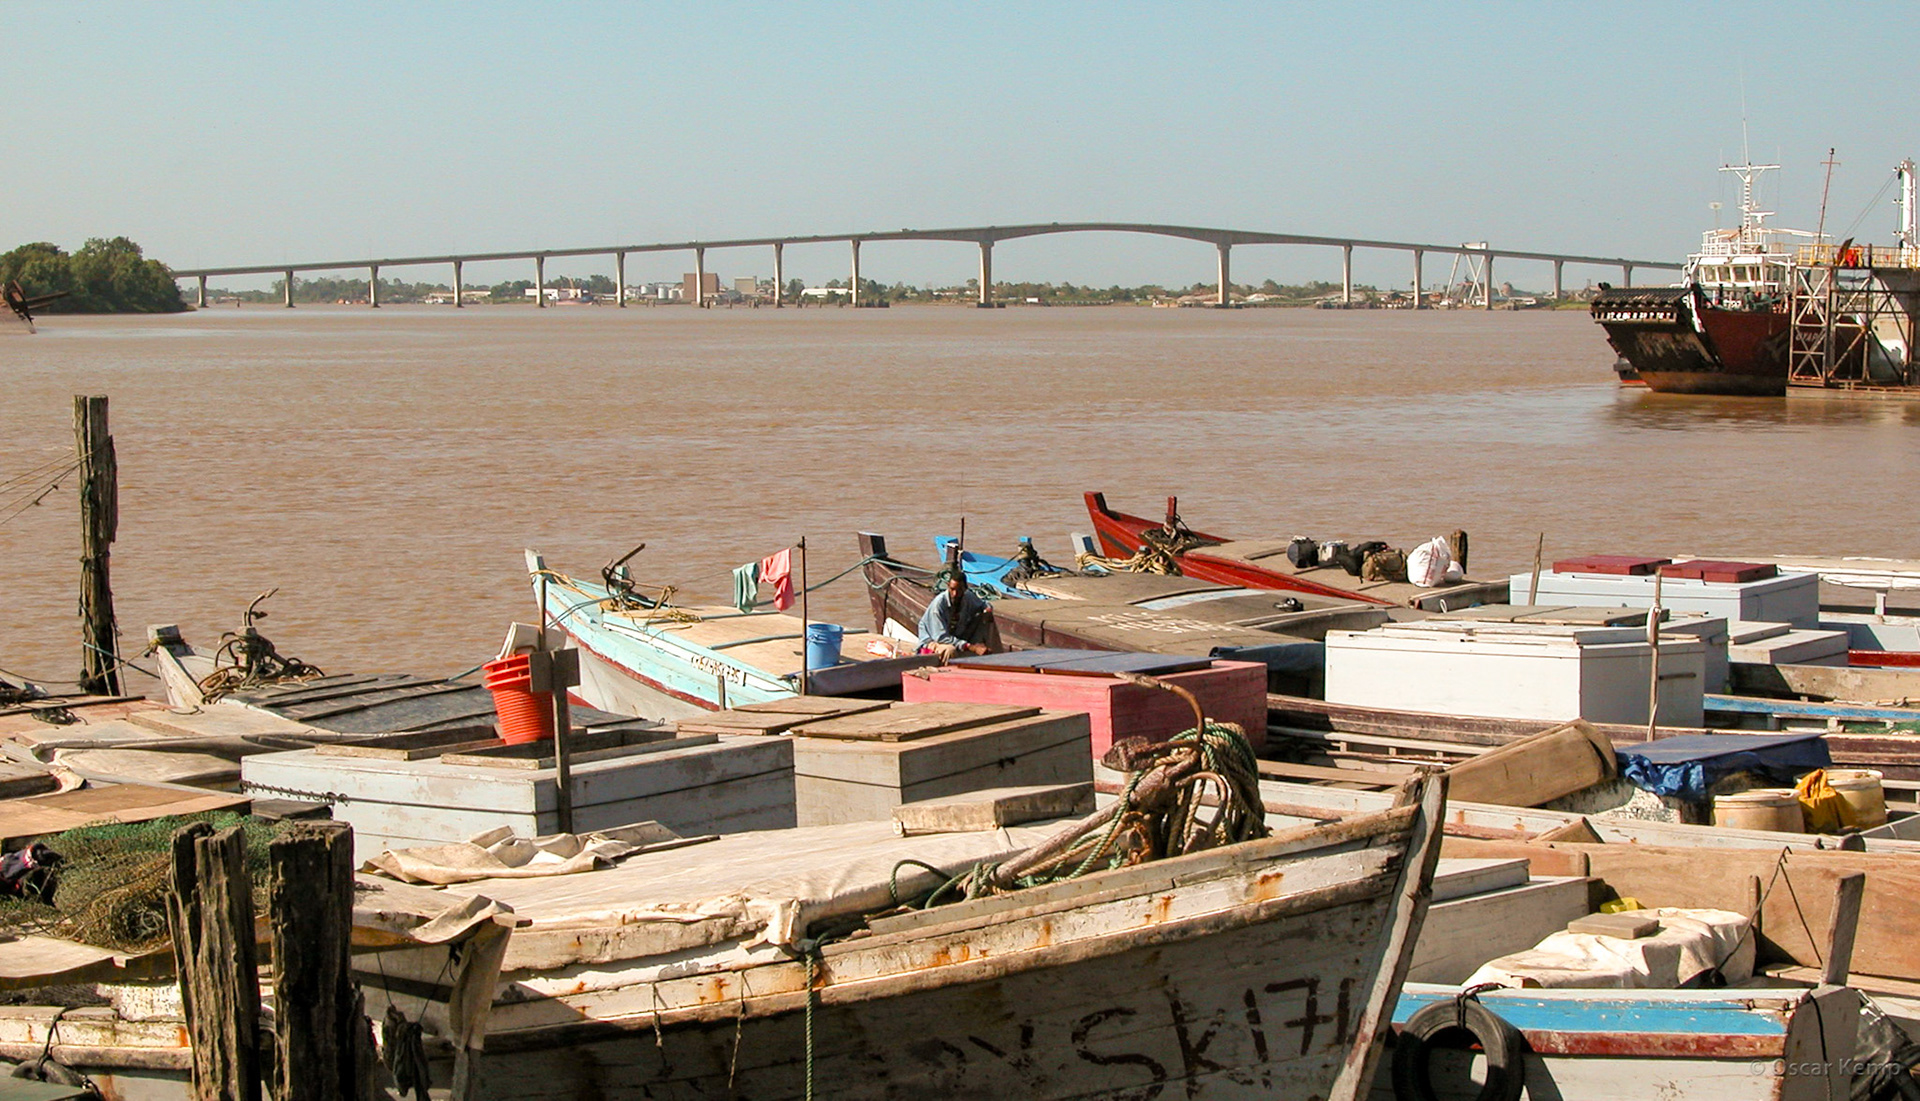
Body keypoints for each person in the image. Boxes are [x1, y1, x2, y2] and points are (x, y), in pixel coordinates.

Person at [917, 573, 993, 661]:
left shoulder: (968, 596)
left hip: (957, 636)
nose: (955, 594)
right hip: (934, 641)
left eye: (959, 590)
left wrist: (988, 611)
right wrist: (971, 647)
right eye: (952, 589)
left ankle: (994, 656)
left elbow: (984, 604)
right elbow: (941, 638)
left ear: (965, 589)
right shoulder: (938, 605)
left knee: (985, 617)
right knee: (950, 650)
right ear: (948, 586)